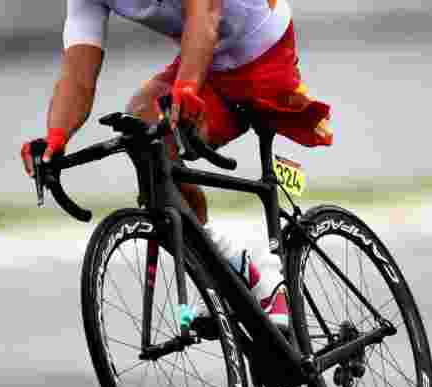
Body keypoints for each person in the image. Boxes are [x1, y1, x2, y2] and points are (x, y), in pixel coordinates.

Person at [20, 0, 334, 328]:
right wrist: (56, 137)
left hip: (262, 56)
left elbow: (206, 12)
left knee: (166, 130)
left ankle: (261, 272)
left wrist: (186, 87)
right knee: (142, 133)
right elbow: (78, 75)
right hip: (207, 57)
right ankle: (223, 268)